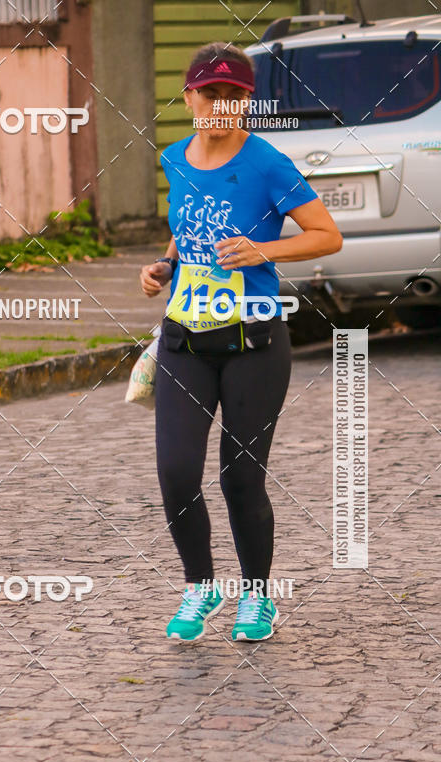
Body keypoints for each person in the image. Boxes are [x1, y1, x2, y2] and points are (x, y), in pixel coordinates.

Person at [139, 42, 342, 643]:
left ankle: (258, 598)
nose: (222, 105)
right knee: (176, 473)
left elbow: (326, 236)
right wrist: (161, 265)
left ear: (248, 102)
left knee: (241, 477)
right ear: (190, 98)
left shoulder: (268, 163)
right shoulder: (174, 158)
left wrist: (265, 251)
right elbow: (184, 234)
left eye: (235, 95)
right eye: (211, 93)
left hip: (255, 342)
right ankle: (199, 588)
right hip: (184, 340)